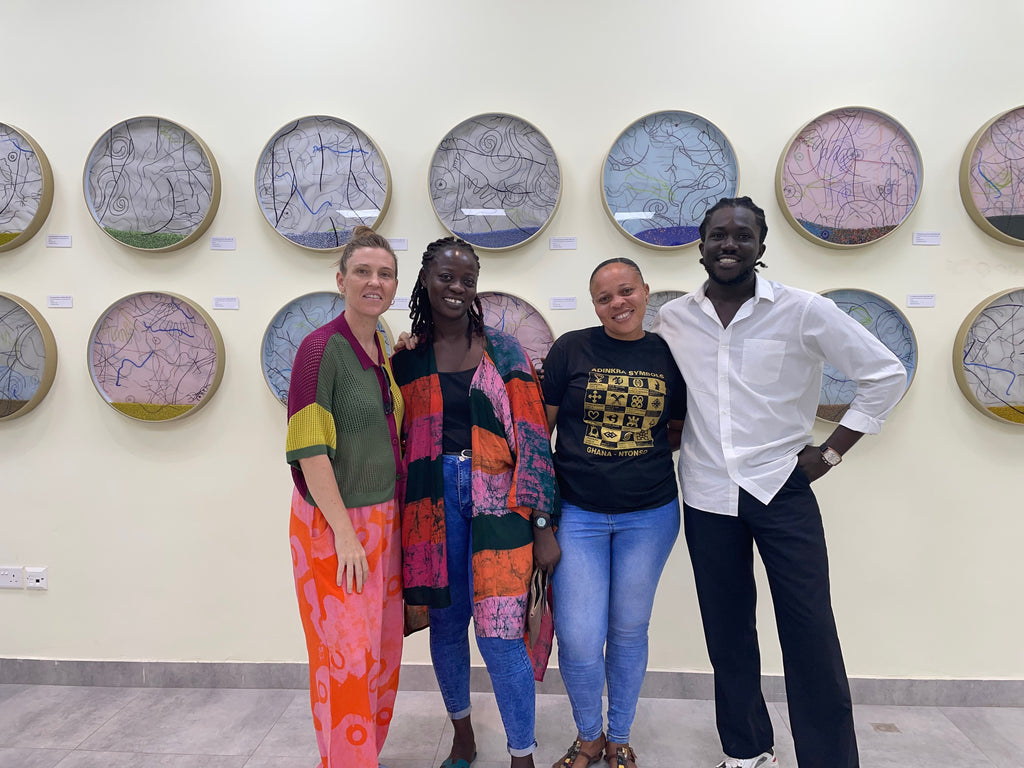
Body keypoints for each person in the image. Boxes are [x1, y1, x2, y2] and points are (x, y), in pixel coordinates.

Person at [652, 197, 907, 768]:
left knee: (810, 629)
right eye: (718, 235)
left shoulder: (803, 310)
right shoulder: (672, 319)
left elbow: (885, 373)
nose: (729, 245)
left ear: (761, 247)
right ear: (701, 245)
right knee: (727, 631)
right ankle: (746, 751)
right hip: (707, 493)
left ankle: (830, 760)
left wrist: (832, 453)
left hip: (781, 488)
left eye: (743, 236)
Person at [391, 236, 559, 768]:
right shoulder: (408, 359)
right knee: (446, 626)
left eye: (467, 278)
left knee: (502, 633)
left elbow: (533, 438)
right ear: (425, 280)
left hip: (501, 504)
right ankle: (463, 736)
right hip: (430, 504)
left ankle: (521, 753)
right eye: (446, 276)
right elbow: (396, 438)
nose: (457, 287)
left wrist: (541, 521)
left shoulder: (505, 351)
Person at [542, 258, 686, 768]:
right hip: (577, 513)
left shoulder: (669, 354)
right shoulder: (571, 349)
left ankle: (619, 736)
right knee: (579, 637)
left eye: (626, 291)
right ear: (595, 305)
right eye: (605, 298)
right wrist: (541, 517)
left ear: (645, 292)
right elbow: (542, 430)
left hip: (649, 515)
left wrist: (631, 453)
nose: (618, 303)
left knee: (628, 628)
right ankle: (589, 737)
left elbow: (678, 427)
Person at [285, 225, 404, 768]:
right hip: (336, 524)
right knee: (346, 660)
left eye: (384, 273)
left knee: (380, 655)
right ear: (341, 279)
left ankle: (359, 759)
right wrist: (346, 535)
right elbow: (310, 451)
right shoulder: (318, 350)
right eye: (363, 271)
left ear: (395, 284)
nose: (373, 281)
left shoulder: (380, 345)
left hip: (384, 518)